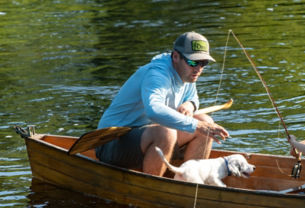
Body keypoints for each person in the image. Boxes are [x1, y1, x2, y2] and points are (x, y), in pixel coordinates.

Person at [95, 31, 230, 176]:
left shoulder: (187, 74)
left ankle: (188, 181)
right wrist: (196, 125)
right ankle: (153, 189)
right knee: (169, 131)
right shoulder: (157, 75)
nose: (198, 69)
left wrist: (190, 105)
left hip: (145, 138)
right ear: (176, 56)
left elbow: (193, 98)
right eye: (193, 62)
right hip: (110, 141)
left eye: (203, 63)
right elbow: (154, 110)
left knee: (206, 123)